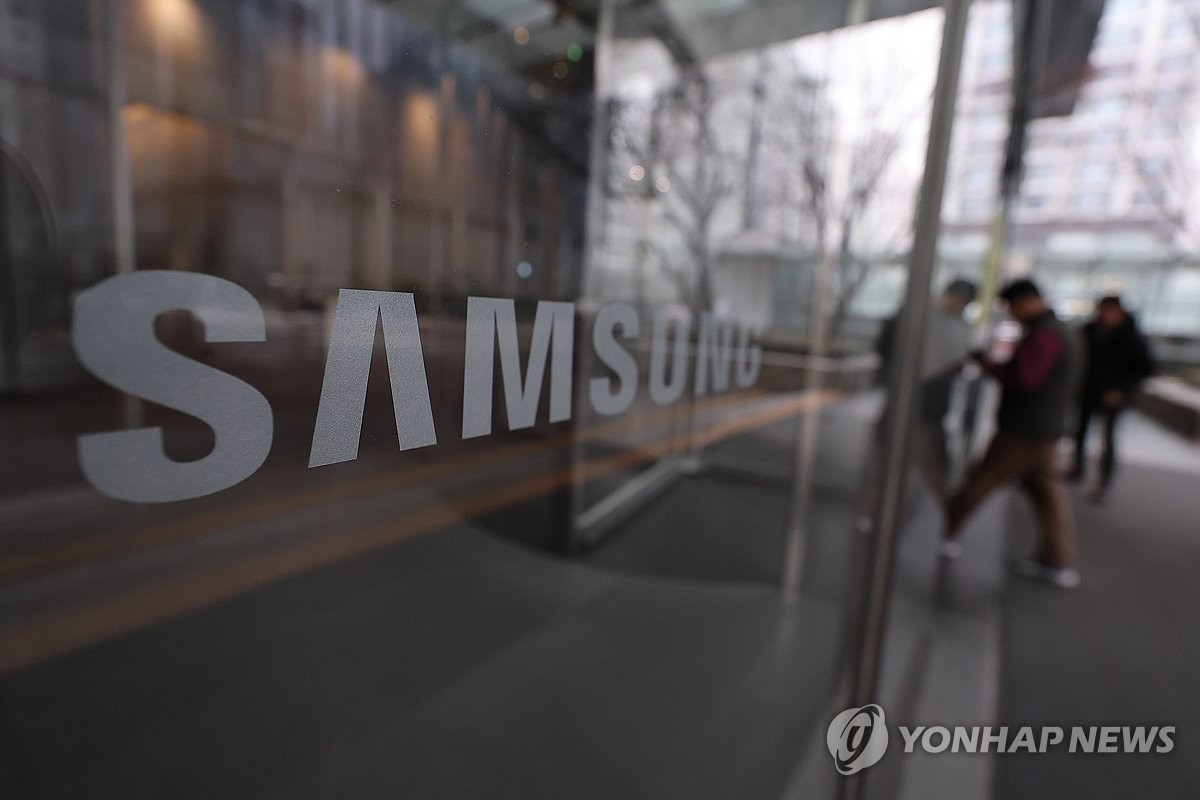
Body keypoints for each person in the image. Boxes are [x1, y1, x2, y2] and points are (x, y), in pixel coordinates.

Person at [942, 279, 1083, 589]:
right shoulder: (1059, 331)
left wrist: (989, 366)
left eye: (1011, 307)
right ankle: (1056, 560)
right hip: (1044, 431)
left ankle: (944, 531)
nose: (1011, 314)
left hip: (1023, 431)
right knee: (1048, 497)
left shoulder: (1045, 334)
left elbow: (1026, 378)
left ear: (1027, 301)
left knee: (980, 482)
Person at [876, 279, 978, 498]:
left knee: (930, 451)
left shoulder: (960, 326)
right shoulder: (923, 316)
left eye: (962, 302)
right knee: (890, 443)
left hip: (932, 400)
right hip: (907, 391)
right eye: (956, 298)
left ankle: (943, 499)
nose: (957, 304)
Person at [1067, 295, 1154, 504]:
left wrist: (1121, 390)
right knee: (1080, 431)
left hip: (1115, 396)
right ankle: (1077, 467)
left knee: (1108, 439)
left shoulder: (1131, 336)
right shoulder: (1090, 330)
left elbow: (1144, 368)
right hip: (1089, 391)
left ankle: (1104, 482)